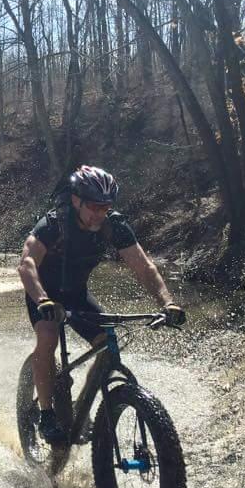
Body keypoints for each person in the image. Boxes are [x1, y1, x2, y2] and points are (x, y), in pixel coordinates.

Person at [17, 165, 186, 445]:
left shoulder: (114, 226)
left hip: (77, 294)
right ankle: (46, 414)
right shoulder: (54, 224)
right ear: (76, 200)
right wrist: (43, 300)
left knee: (106, 343)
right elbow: (27, 264)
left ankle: (82, 410)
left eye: (105, 207)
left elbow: (144, 267)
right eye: (94, 206)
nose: (99, 213)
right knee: (47, 337)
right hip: (44, 294)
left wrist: (168, 303)